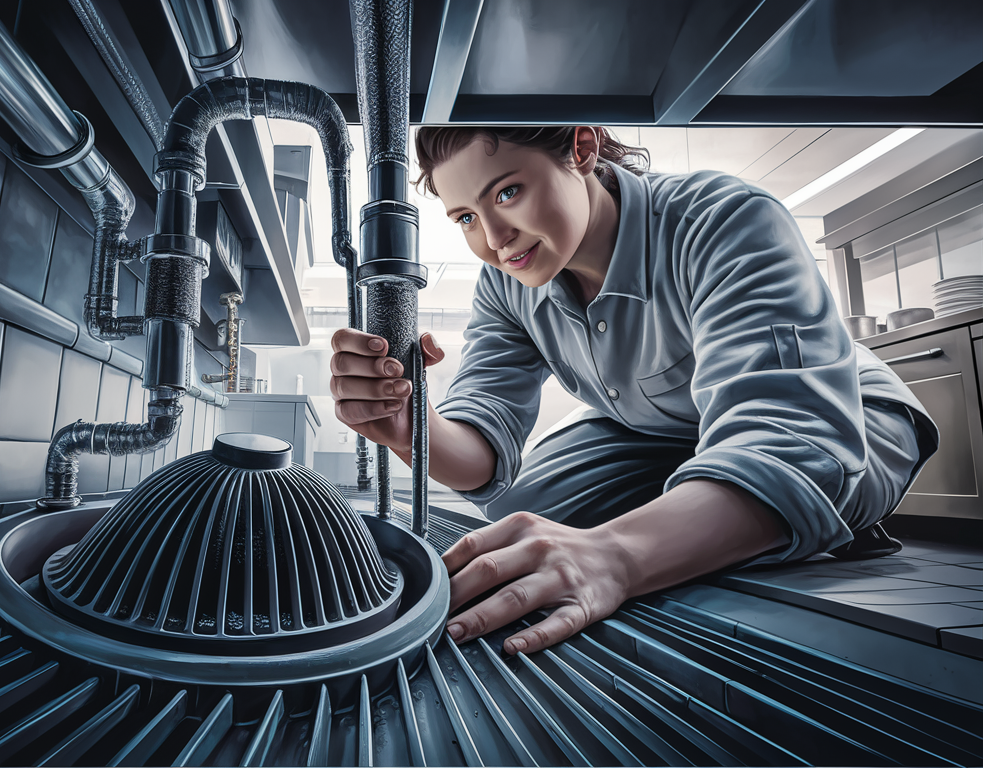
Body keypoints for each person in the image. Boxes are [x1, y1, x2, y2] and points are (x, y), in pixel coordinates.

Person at [329, 126, 939, 656]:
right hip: (666, 431)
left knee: (803, 478)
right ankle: (718, 519)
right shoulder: (506, 284)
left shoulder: (721, 219)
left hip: (840, 419)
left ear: (582, 149)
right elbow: (482, 452)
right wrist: (413, 425)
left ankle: (795, 520)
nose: (493, 238)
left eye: (507, 192)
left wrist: (615, 557)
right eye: (465, 217)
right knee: (527, 505)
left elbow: (786, 437)